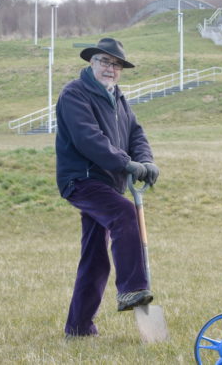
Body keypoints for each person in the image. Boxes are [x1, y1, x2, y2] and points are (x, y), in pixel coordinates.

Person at [55, 37, 160, 338]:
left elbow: (136, 133)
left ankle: (78, 327)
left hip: (108, 183)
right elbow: (88, 138)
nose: (110, 68)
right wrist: (126, 163)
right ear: (91, 62)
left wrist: (146, 161)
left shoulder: (119, 98)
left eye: (116, 64)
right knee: (124, 213)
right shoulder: (75, 94)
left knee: (95, 255)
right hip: (82, 179)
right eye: (104, 61)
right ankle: (132, 289)